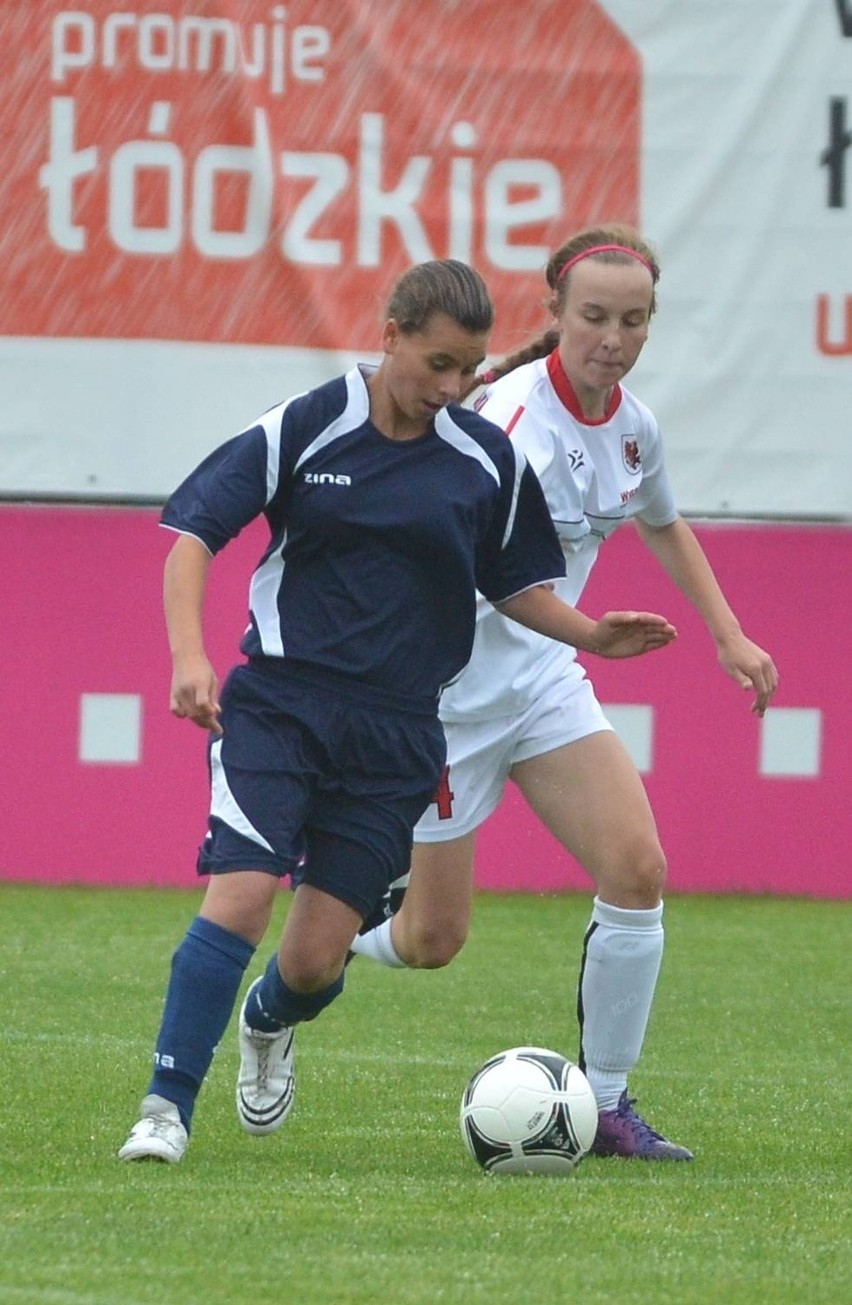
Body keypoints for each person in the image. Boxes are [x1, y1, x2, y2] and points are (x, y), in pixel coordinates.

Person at [118, 258, 677, 1164]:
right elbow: (192, 530)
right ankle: (164, 1108)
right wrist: (190, 657)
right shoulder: (312, 424)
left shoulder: (482, 457)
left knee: (311, 963)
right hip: (282, 708)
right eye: (439, 365)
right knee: (245, 894)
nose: (454, 389)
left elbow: (517, 583)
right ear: (390, 337)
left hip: (400, 733)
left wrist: (591, 634)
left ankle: (270, 1021)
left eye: (470, 369)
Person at [349, 227, 779, 1161]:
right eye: (592, 317)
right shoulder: (502, 421)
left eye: (632, 321)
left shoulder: (634, 427)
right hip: (450, 703)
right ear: (553, 315)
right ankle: (342, 938)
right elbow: (464, 568)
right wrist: (586, 630)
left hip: (542, 686)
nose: (611, 339)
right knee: (431, 940)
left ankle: (611, 1104)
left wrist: (727, 632)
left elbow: (663, 523)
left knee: (638, 869)